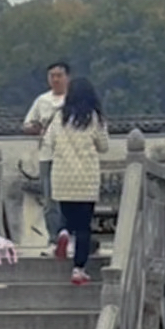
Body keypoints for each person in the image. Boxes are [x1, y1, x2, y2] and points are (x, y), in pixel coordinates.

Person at [42, 76, 108, 285]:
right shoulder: (94, 118)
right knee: (83, 226)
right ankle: (78, 269)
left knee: (67, 215)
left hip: (62, 176)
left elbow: (49, 142)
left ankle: (62, 233)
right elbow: (103, 145)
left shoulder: (59, 116)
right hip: (86, 179)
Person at [23, 61, 70, 257]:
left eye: (59, 75)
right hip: (47, 156)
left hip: (69, 156)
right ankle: (53, 240)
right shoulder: (42, 100)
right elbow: (26, 125)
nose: (56, 79)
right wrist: (38, 129)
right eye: (52, 75)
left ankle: (69, 237)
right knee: (49, 199)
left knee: (69, 197)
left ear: (68, 77)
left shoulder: (74, 100)